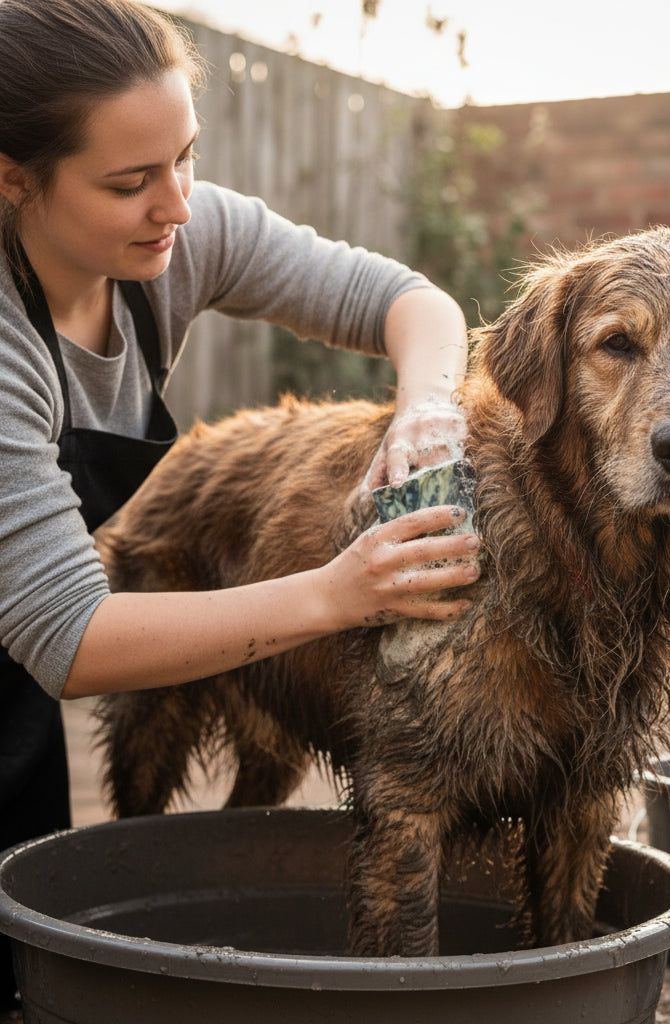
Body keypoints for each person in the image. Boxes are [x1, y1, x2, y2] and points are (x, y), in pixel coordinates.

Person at [0, 0, 480, 1005]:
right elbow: (73, 641)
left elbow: (410, 302)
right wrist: (338, 593)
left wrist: (426, 411)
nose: (176, 203)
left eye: (185, 157)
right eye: (130, 182)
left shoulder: (177, 239)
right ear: (12, 179)